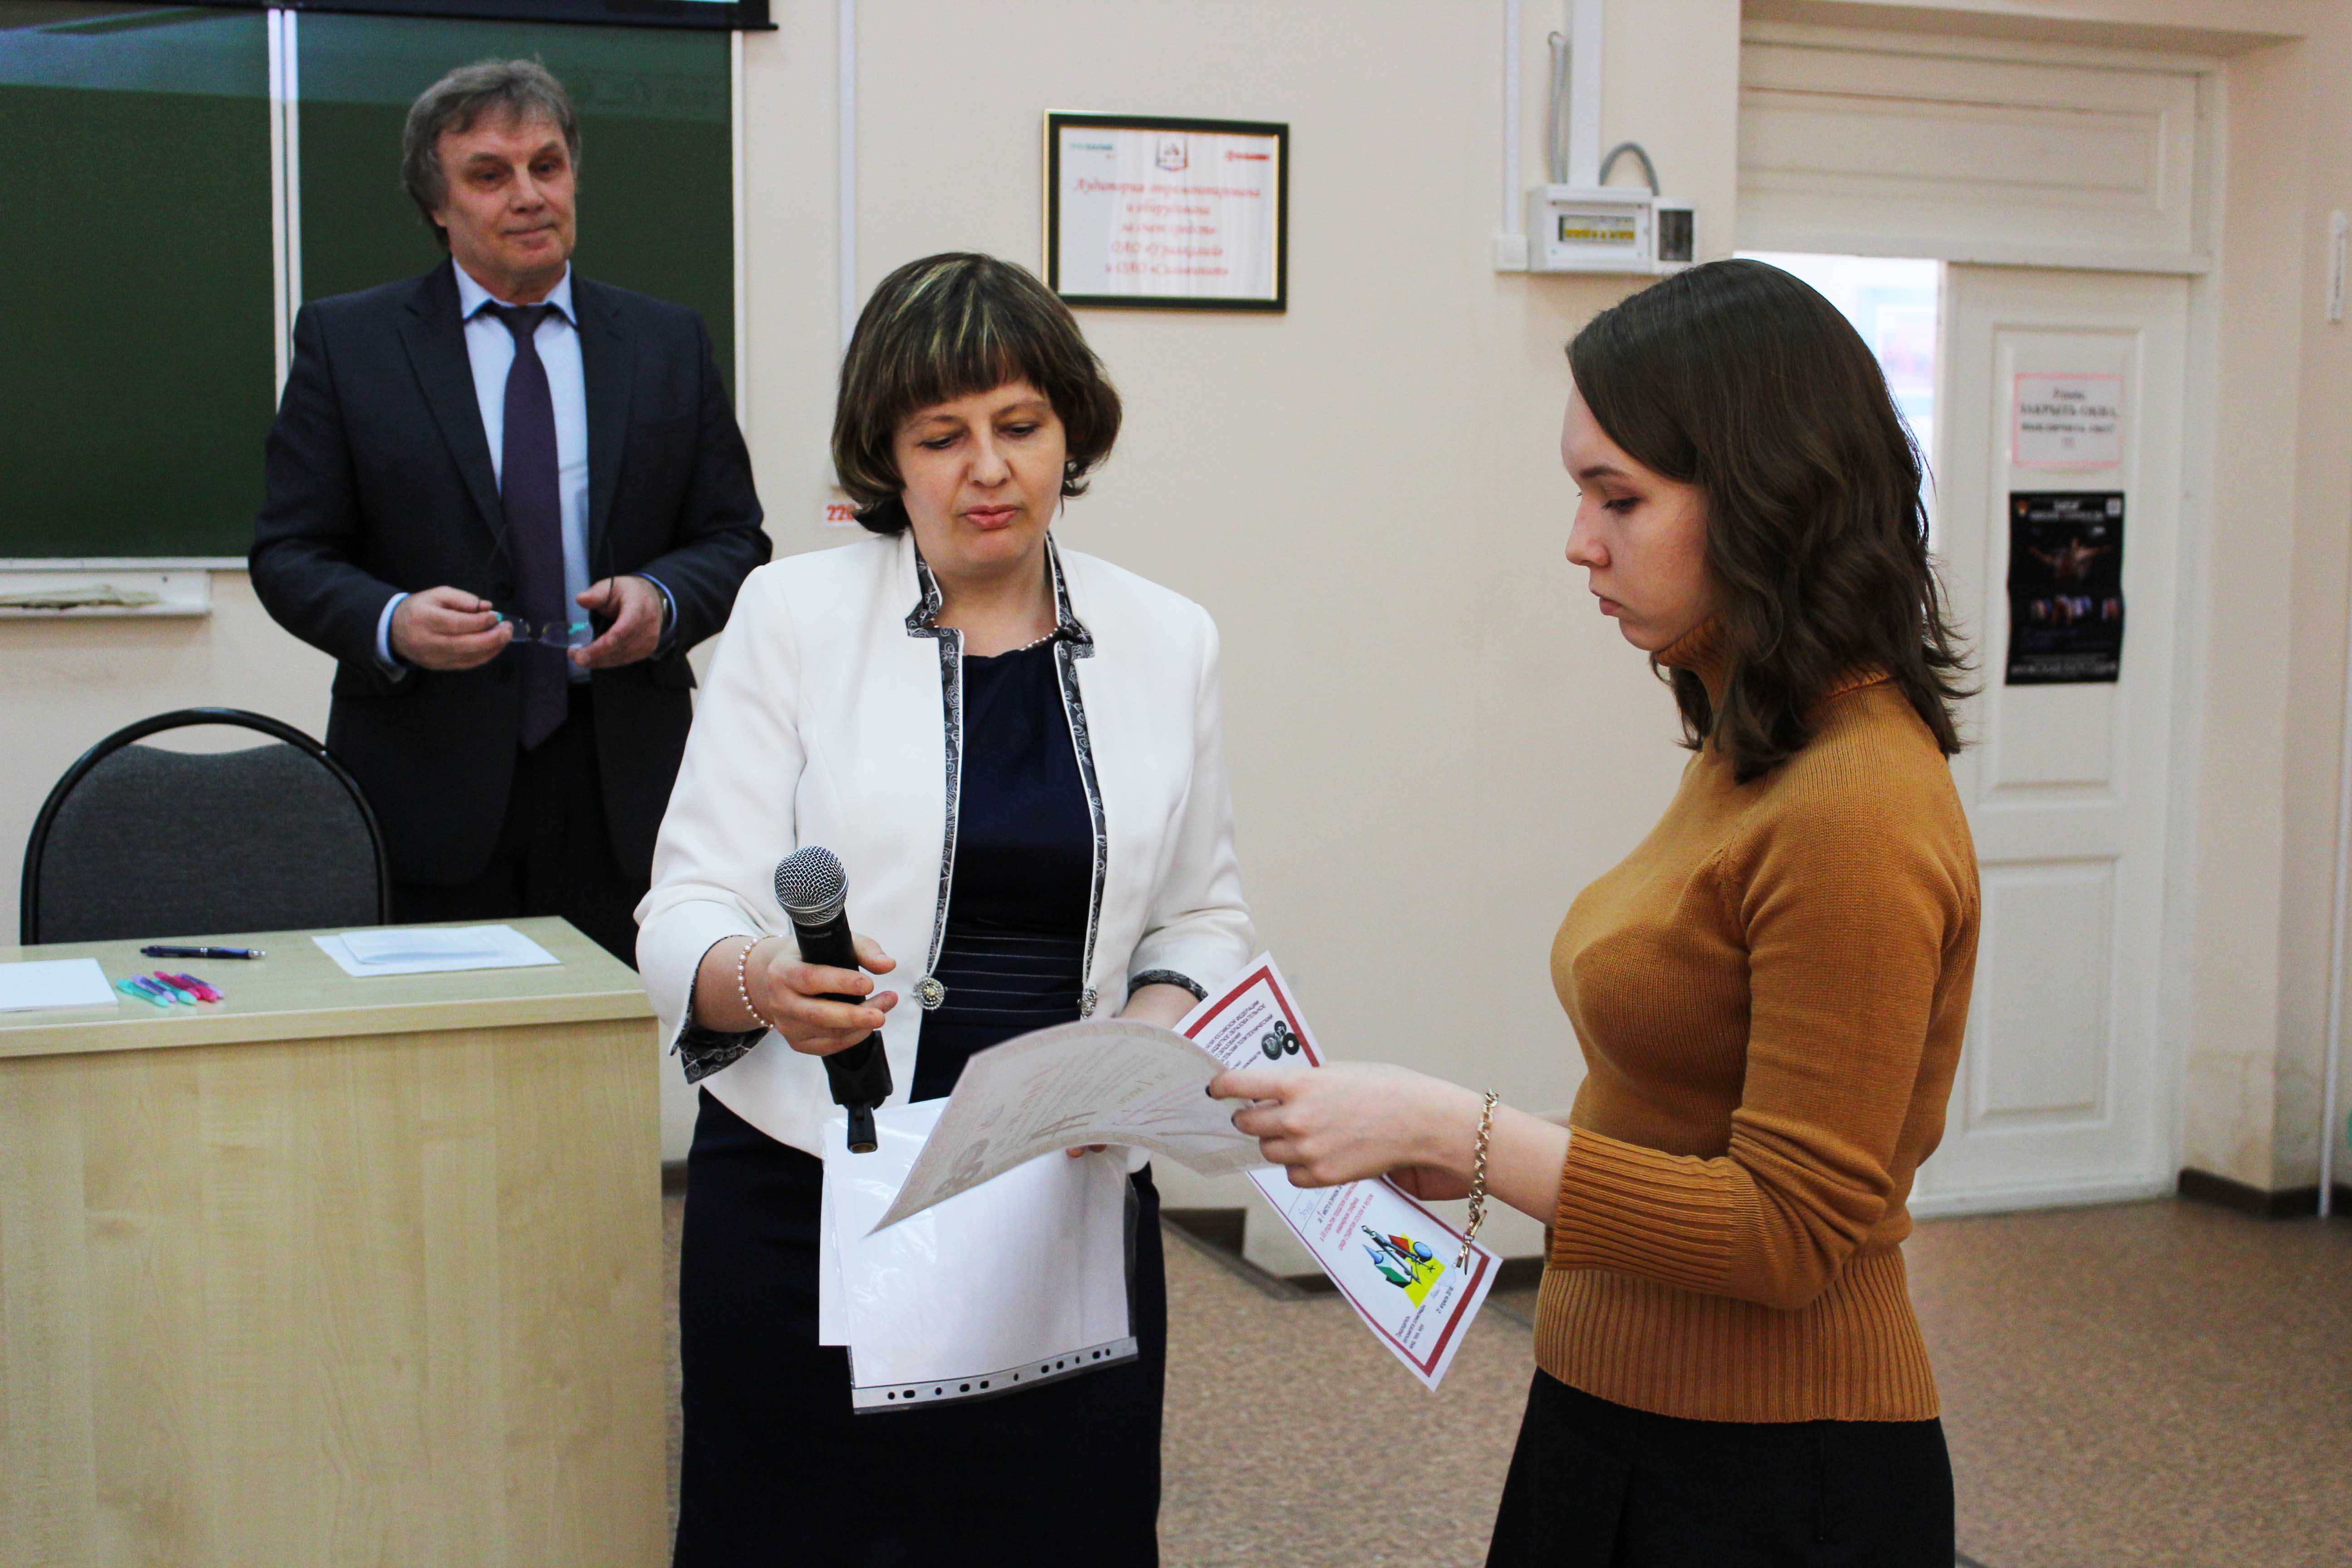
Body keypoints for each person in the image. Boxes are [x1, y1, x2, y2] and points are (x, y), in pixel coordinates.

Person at [1213, 259, 1978, 1567]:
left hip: (1770, 1463)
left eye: (1619, 498)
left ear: (1768, 494)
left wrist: (1456, 1129)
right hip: (1621, 1404)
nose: (1581, 541)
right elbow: (1688, 1120)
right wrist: (1473, 1158)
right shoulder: (1758, 742)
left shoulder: (1858, 801)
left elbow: (1789, 1230)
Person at [636, 252, 1253, 1565]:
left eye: (1021, 426)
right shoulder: (791, 616)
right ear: (888, 457)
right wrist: (759, 984)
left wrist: (1141, 1047)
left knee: (1056, 1531)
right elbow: (683, 902)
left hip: (1061, 1198)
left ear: (1071, 432)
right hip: (812, 1188)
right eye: (942, 436)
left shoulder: (1170, 639)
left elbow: (1203, 919)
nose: (989, 469)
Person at [249, 59, 768, 964]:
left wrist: (662, 599)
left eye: (547, 166)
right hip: (428, 778)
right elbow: (289, 552)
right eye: (490, 175)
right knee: (438, 1041)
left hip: (625, 784)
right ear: (437, 204)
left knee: (621, 1038)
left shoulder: (665, 343)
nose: (529, 195)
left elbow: (733, 538)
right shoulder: (350, 343)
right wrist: (392, 621)